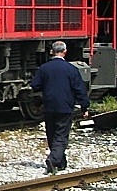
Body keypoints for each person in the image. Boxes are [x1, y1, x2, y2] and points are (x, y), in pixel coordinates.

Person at [29, 40, 90, 173]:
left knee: (51, 134)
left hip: (49, 105)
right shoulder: (71, 69)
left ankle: (61, 162)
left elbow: (35, 85)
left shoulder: (44, 68)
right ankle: (54, 159)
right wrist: (84, 107)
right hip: (65, 106)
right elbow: (79, 89)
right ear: (65, 51)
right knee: (61, 135)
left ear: (52, 52)